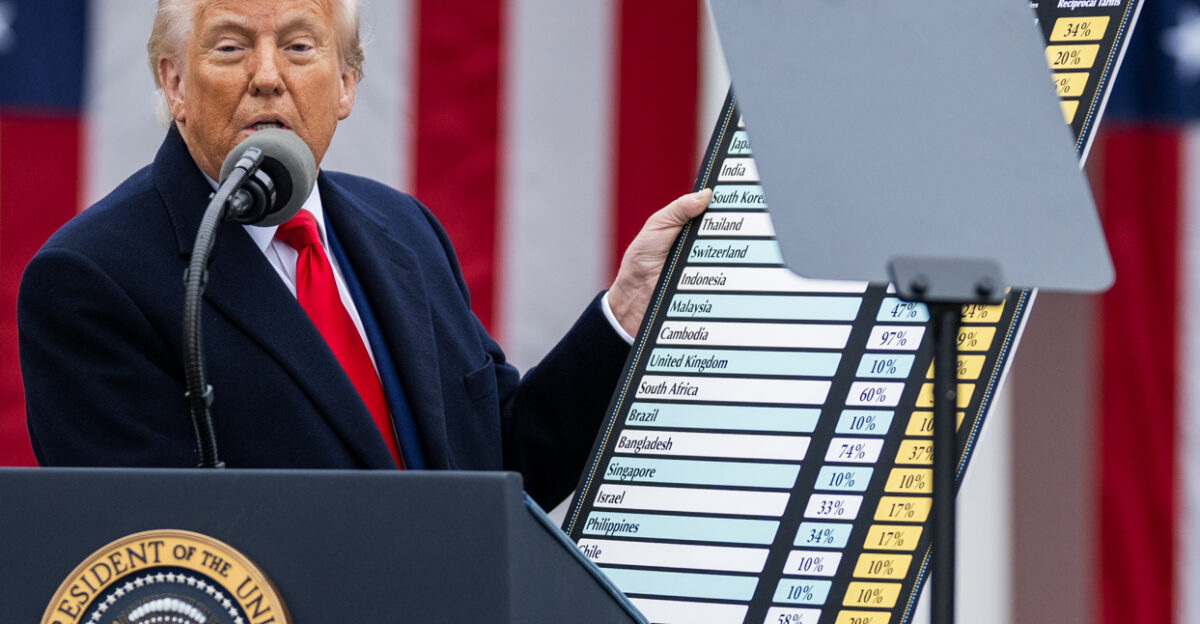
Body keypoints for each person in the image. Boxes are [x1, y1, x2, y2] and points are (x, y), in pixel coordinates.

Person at [16, 0, 710, 508]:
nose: (267, 76)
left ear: (346, 84)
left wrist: (624, 312)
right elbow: (161, 555)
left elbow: (502, 465)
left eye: (299, 46)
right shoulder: (89, 281)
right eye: (229, 48)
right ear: (174, 84)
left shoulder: (402, 229)